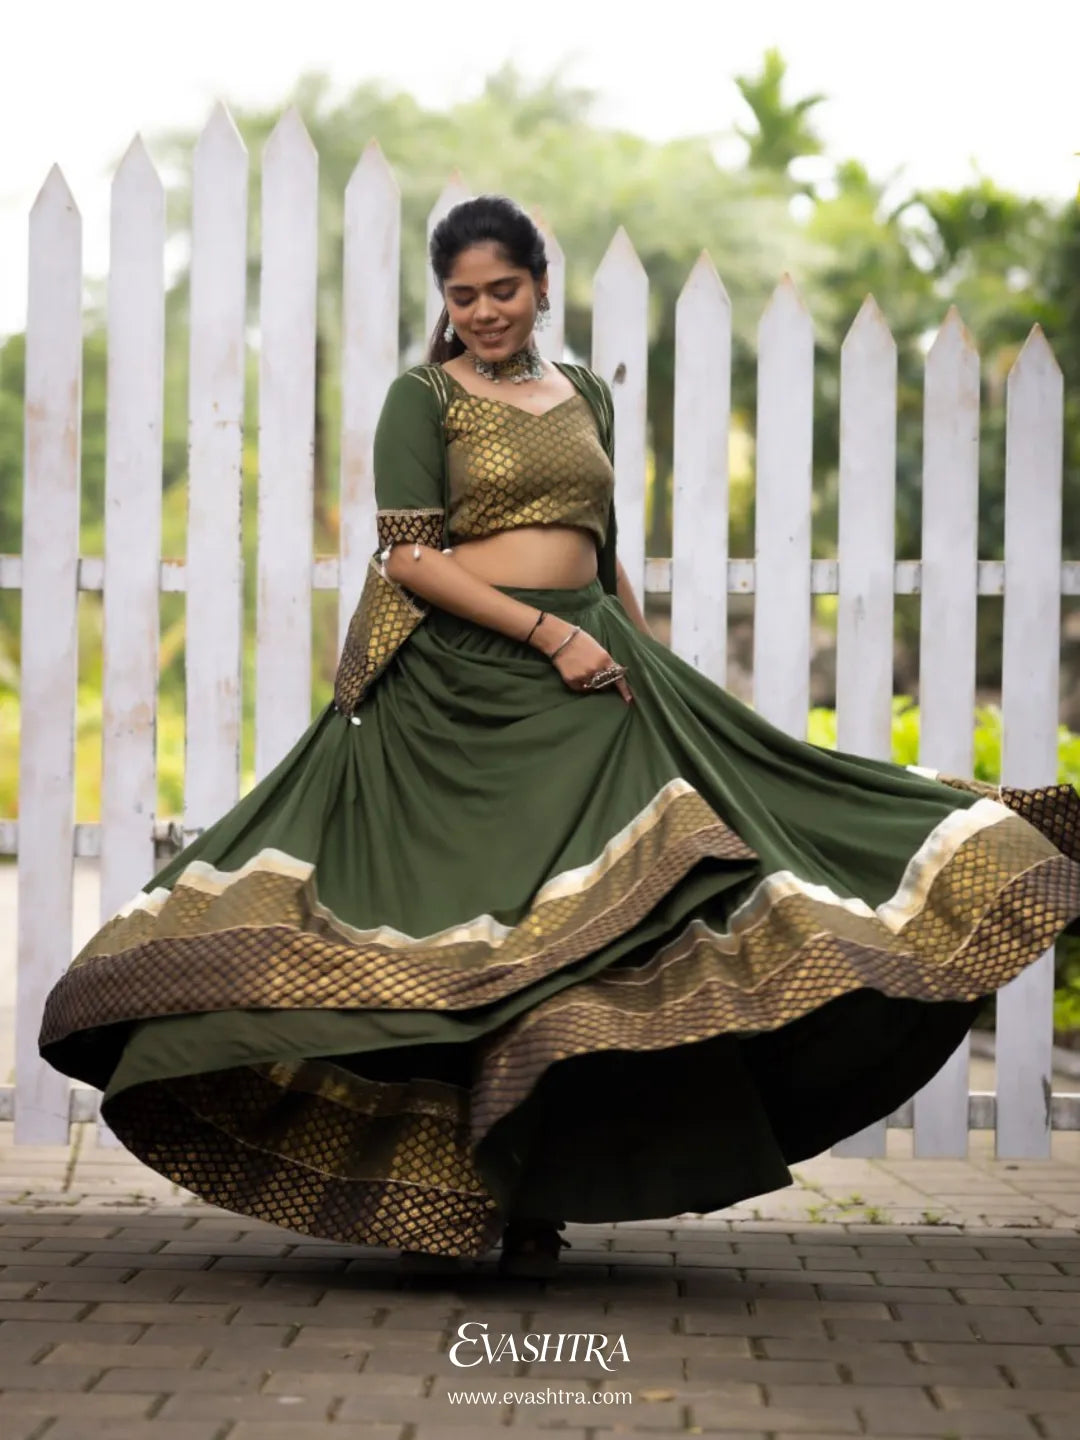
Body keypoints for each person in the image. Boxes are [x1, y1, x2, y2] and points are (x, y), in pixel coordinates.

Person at [39, 194, 1080, 1281]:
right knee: (472, 944)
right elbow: (411, 559)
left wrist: (637, 653)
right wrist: (547, 635)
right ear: (444, 303)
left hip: (587, 669)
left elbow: (598, 541)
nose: (485, 311)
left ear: (541, 285)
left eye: (504, 289)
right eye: (463, 297)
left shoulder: (585, 393)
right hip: (456, 695)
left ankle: (537, 1193)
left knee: (588, 942)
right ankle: (456, 1193)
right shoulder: (422, 398)